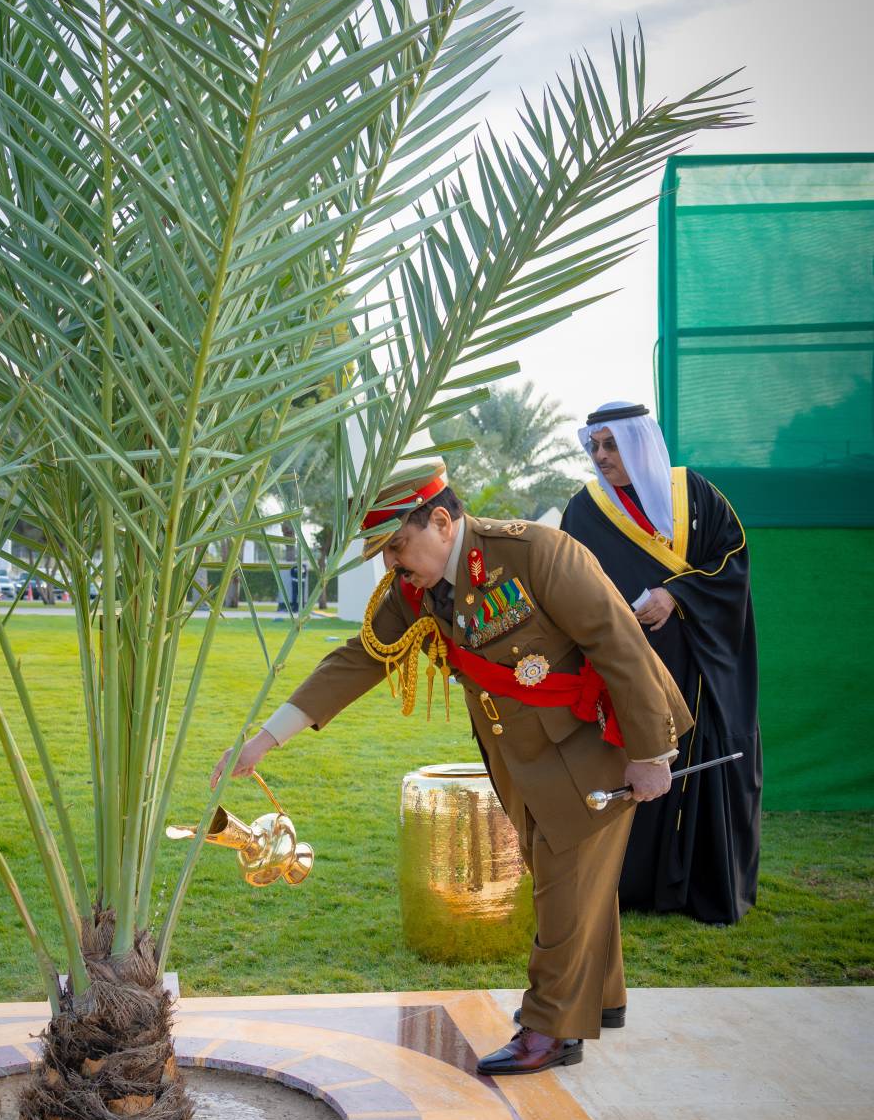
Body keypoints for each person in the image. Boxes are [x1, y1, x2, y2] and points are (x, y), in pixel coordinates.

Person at [211, 462, 691, 1076]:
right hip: (523, 760)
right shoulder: (418, 588)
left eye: (397, 546)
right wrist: (265, 739)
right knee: (570, 877)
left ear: (441, 520)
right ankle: (601, 997)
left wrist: (651, 754)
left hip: (594, 745)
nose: (391, 564)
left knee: (565, 883)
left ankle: (551, 1028)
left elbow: (618, 642)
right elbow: (359, 659)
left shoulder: (535, 553)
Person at [561, 400, 761, 923]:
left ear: (638, 442)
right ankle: (628, 887)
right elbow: (566, 586)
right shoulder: (584, 510)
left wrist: (676, 595)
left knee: (701, 763)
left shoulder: (693, 493)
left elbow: (731, 562)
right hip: (625, 673)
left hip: (699, 666)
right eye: (594, 446)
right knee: (633, 763)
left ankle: (701, 887)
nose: (601, 456)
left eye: (611, 444)